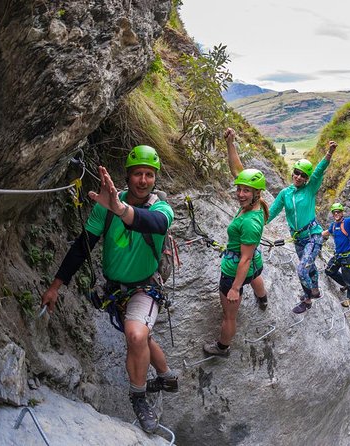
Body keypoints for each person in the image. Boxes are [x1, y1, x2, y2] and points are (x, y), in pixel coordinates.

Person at [41, 145, 178, 434]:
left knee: (136, 334)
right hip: (116, 289)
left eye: (149, 175)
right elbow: (82, 247)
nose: (143, 180)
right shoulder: (105, 207)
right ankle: (166, 376)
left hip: (145, 286)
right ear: (128, 176)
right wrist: (56, 286)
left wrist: (121, 209)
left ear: (156, 179)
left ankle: (138, 398)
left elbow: (155, 223)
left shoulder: (160, 208)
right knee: (141, 334)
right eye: (138, 174)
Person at [203, 128, 269, 356]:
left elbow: (245, 258)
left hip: (235, 270)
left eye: (245, 191)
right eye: (239, 189)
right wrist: (231, 143)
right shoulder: (256, 203)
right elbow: (238, 170)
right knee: (255, 275)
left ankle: (222, 347)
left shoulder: (250, 221)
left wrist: (234, 288)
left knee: (229, 315)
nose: (240, 193)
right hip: (254, 264)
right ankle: (263, 299)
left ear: (256, 193)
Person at [268, 141, 338, 314]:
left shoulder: (310, 189)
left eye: (303, 175)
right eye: (297, 173)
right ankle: (315, 289)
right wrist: (255, 223)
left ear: (307, 179)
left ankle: (307, 300)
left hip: (313, 236)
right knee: (310, 265)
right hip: (298, 239)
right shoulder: (285, 193)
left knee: (302, 269)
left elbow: (319, 171)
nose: (299, 177)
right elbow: (271, 212)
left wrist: (329, 153)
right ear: (293, 173)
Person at [322, 191, 350, 307]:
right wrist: (311, 235)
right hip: (338, 256)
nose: (336, 214)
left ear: (341, 212)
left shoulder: (348, 222)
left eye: (338, 212)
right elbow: (325, 233)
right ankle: (344, 284)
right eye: (334, 212)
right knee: (329, 271)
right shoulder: (333, 225)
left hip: (348, 257)